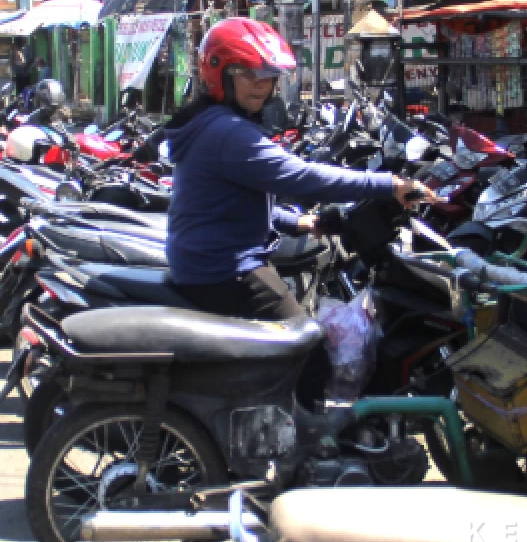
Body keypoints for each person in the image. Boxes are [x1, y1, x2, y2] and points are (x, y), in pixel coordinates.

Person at [164, 17, 437, 321]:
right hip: (223, 269)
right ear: (219, 76)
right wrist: (390, 185)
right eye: (247, 73)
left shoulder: (212, 122)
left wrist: (297, 223)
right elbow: (300, 177)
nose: (260, 84)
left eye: (267, 75)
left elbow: (231, 202)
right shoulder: (226, 131)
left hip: (206, 260)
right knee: (308, 347)